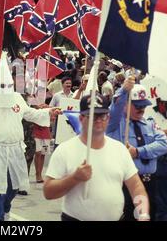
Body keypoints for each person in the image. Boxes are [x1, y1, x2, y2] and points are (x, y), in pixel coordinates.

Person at [44, 93, 150, 221]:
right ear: (81, 118)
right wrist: (74, 178)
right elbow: (48, 192)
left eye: (102, 115)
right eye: (92, 116)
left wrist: (143, 214)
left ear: (108, 117)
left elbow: (136, 186)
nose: (98, 120)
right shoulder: (65, 150)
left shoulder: (119, 149)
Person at [0, 52, 61, 221]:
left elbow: (30, 113)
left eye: (8, 85)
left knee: (14, 185)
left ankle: (6, 207)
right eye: (2, 85)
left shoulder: (17, 98)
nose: (5, 89)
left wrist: (48, 111)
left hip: (15, 149)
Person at [106, 77, 167, 221]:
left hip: (150, 182)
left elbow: (163, 145)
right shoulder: (115, 123)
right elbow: (115, 108)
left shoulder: (150, 123)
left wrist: (138, 152)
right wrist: (124, 90)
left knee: (148, 217)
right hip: (127, 184)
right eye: (137, 105)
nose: (141, 109)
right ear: (126, 105)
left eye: (143, 105)